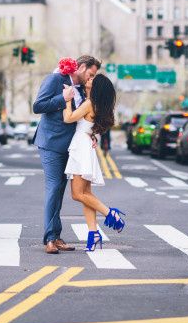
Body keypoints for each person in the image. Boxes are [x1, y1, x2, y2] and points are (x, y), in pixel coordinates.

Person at [33, 55, 101, 255]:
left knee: (60, 191)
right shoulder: (55, 80)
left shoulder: (81, 89)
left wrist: (92, 134)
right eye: (90, 74)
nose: (91, 79)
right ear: (80, 68)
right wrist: (62, 98)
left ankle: (56, 235)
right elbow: (38, 106)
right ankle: (49, 239)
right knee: (54, 188)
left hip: (70, 147)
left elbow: (80, 119)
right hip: (51, 144)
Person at [63, 74, 124, 252]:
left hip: (81, 148)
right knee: (85, 194)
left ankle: (110, 213)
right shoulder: (94, 104)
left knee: (77, 194)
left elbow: (69, 118)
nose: (88, 80)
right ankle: (93, 233)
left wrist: (67, 100)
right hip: (84, 145)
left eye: (92, 80)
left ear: (96, 87)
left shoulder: (89, 103)